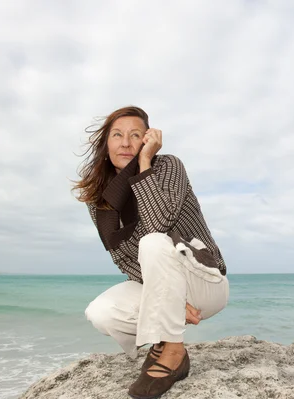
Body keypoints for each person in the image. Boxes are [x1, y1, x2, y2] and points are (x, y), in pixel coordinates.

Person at [73, 106, 229, 398]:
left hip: (205, 280)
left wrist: (145, 162)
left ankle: (172, 352)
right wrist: (168, 297)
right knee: (101, 313)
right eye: (117, 135)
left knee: (152, 242)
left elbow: (159, 224)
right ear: (106, 144)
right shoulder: (99, 198)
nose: (125, 143)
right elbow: (122, 258)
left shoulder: (168, 166)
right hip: (166, 287)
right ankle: (163, 337)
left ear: (148, 140)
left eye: (136, 135)